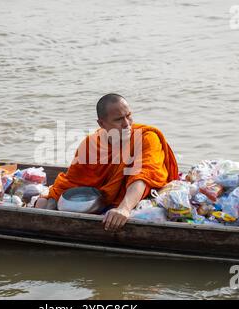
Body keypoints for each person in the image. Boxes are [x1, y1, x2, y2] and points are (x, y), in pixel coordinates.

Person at [35, 94, 179, 231]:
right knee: (46, 204)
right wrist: (48, 199)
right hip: (101, 199)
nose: (127, 124)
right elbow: (72, 181)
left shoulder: (147, 137)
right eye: (118, 120)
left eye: (128, 116)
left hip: (136, 198)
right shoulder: (91, 143)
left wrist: (124, 208)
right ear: (102, 123)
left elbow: (143, 176)